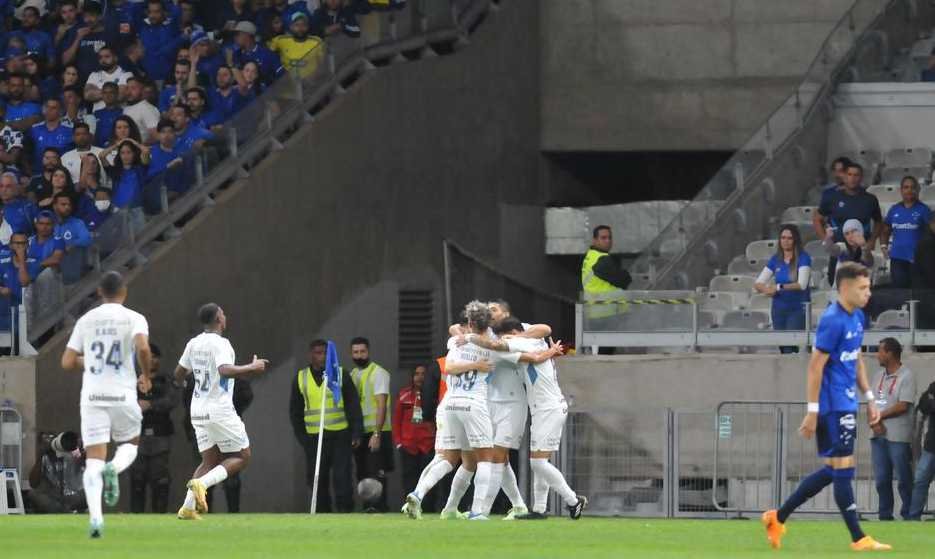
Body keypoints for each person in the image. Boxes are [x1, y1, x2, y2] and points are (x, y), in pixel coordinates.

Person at [762, 263, 891, 551]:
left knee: (834, 470)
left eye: (868, 287)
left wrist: (869, 398)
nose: (868, 292)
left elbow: (855, 359)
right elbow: (815, 366)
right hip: (832, 405)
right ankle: (859, 538)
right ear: (844, 288)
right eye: (862, 288)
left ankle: (777, 517)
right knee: (844, 469)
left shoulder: (857, 317)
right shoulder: (832, 320)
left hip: (846, 401)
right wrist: (812, 410)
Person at [403, 301, 561, 521]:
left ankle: (426, 497)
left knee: (457, 459)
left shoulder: (457, 342)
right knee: (487, 459)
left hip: (457, 404)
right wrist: (550, 352)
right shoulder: (492, 345)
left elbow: (448, 364)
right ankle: (480, 511)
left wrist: (469, 339)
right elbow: (529, 357)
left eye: (495, 308)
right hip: (478, 404)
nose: (492, 310)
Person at [61, 271, 153, 538]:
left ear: (99, 292)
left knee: (93, 460)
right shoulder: (133, 318)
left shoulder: (86, 320)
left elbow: (67, 361)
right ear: (124, 291)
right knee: (130, 446)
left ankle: (96, 520)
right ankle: (115, 467)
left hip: (92, 397)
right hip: (123, 394)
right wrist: (145, 375)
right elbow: (144, 349)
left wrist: (90, 361)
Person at [174, 303, 269, 520]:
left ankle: (188, 507)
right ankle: (202, 484)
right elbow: (224, 370)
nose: (225, 316)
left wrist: (191, 378)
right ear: (218, 318)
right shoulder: (221, 343)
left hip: (197, 410)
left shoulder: (194, 343)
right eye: (223, 313)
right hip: (219, 409)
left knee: (208, 461)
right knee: (243, 456)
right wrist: (251, 368)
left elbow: (178, 374)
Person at [498, 317, 587, 520]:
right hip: (542, 408)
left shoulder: (521, 342)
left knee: (538, 463)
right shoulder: (532, 341)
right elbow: (544, 328)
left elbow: (498, 344)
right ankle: (539, 509)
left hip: (549, 408)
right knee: (540, 461)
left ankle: (573, 500)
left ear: (511, 333)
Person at [289, 339, 363, 513]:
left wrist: (356, 433)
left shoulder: (340, 374)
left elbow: (353, 405)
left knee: (342, 477)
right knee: (317, 479)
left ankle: (345, 512)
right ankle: (322, 512)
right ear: (311, 355)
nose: (321, 357)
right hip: (314, 438)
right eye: (317, 353)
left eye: (324, 353)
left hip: (340, 435)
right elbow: (295, 412)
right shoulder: (301, 378)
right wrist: (303, 439)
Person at [869, 337, 916, 521]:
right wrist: (874, 421)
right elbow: (871, 403)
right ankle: (885, 515)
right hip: (878, 435)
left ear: (890, 353)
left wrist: (880, 416)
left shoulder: (907, 376)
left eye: (880, 351)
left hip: (898, 436)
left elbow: (903, 405)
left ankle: (909, 514)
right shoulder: (877, 376)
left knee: (904, 479)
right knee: (881, 480)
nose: (877, 355)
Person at [130, 343, 179, 513]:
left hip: (160, 436)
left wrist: (150, 405)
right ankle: (136, 521)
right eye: (149, 356)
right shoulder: (131, 381)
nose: (152, 360)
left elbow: (172, 401)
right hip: (137, 436)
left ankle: (160, 517)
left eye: (155, 357)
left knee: (160, 482)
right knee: (137, 481)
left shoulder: (165, 380)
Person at [815, 162, 882, 281]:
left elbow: (878, 221)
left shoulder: (870, 199)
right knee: (836, 285)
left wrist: (872, 241)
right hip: (839, 250)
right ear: (844, 177)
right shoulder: (832, 198)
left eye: (856, 175)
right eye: (849, 174)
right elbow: (817, 218)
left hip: (861, 252)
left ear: (861, 177)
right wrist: (825, 238)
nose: (853, 178)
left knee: (861, 288)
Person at [349, 336, 394, 512]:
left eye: (362, 351)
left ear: (368, 352)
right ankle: (368, 507)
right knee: (362, 474)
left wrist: (377, 434)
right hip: (360, 433)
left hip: (377, 431)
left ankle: (380, 507)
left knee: (376, 473)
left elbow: (381, 404)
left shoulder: (378, 373)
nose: (359, 355)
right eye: (355, 352)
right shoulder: (352, 374)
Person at [754, 225, 812, 353]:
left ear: (795, 240)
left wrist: (779, 287)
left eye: (789, 238)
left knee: (792, 345)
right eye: (783, 238)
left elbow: (802, 284)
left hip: (797, 309)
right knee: (783, 346)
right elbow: (758, 283)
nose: (785, 241)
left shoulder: (803, 258)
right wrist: (765, 289)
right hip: (778, 309)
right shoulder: (776, 259)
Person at [393, 364, 438, 513]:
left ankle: (429, 510)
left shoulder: (434, 395)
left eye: (423, 374)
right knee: (409, 480)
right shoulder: (404, 395)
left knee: (428, 479)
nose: (420, 377)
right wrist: (399, 443)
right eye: (416, 374)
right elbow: (396, 420)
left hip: (428, 444)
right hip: (408, 445)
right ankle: (409, 509)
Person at [881, 176, 932, 289]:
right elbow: (885, 229)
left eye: (912, 187)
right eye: (906, 187)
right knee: (899, 293)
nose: (909, 190)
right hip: (897, 259)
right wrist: (884, 246)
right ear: (901, 190)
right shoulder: (894, 209)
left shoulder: (924, 210)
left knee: (917, 294)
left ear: (918, 190)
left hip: (917, 260)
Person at [27, 431, 86, 513]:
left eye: (52, 438)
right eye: (45, 440)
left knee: (87, 494)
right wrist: (39, 456)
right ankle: (64, 511)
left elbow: (86, 461)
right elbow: (33, 484)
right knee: (33, 494)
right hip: (54, 498)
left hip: (74, 496)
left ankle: (62, 511)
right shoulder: (44, 458)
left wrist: (79, 447)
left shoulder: (73, 452)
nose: (49, 442)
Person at [269, 12, 325, 79]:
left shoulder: (317, 41)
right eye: (297, 25)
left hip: (312, 83)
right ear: (291, 27)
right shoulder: (280, 40)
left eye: (303, 25)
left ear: (308, 27)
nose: (300, 28)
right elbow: (268, 55)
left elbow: (324, 64)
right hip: (288, 83)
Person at [140, 0, 185, 83]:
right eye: (150, 12)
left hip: (169, 79)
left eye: (156, 12)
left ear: (164, 12)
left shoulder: (171, 27)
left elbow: (176, 13)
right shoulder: (143, 28)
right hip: (147, 80)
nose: (152, 15)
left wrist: (180, 39)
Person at [909, 379, 935, 520]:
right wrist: (930, 401)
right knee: (920, 481)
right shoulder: (933, 385)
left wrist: (932, 401)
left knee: (921, 480)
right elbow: (923, 405)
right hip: (931, 446)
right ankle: (913, 518)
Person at [231, 20, 282, 85]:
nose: (235, 38)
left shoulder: (267, 54)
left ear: (247, 35)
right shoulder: (236, 55)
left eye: (237, 34)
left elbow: (282, 76)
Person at [823, 219, 873, 284]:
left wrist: (863, 246)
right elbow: (830, 249)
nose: (850, 236)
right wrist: (828, 237)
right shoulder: (842, 247)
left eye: (853, 232)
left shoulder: (865, 248)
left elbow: (869, 262)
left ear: (860, 233)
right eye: (847, 234)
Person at [30, 98, 74, 172]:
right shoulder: (34, 129)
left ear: (60, 112)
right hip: (38, 173)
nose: (49, 110)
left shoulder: (69, 130)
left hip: (61, 174)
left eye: (53, 108)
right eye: (47, 107)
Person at [123, 77, 160, 143]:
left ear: (142, 90)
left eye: (133, 88)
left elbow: (156, 136)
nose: (129, 92)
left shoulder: (147, 109)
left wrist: (139, 146)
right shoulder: (126, 108)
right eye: (127, 88)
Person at [93, 83, 124, 148]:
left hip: (116, 150)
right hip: (98, 151)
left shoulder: (123, 113)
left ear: (117, 94)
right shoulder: (96, 114)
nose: (108, 95)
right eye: (105, 93)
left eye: (111, 92)